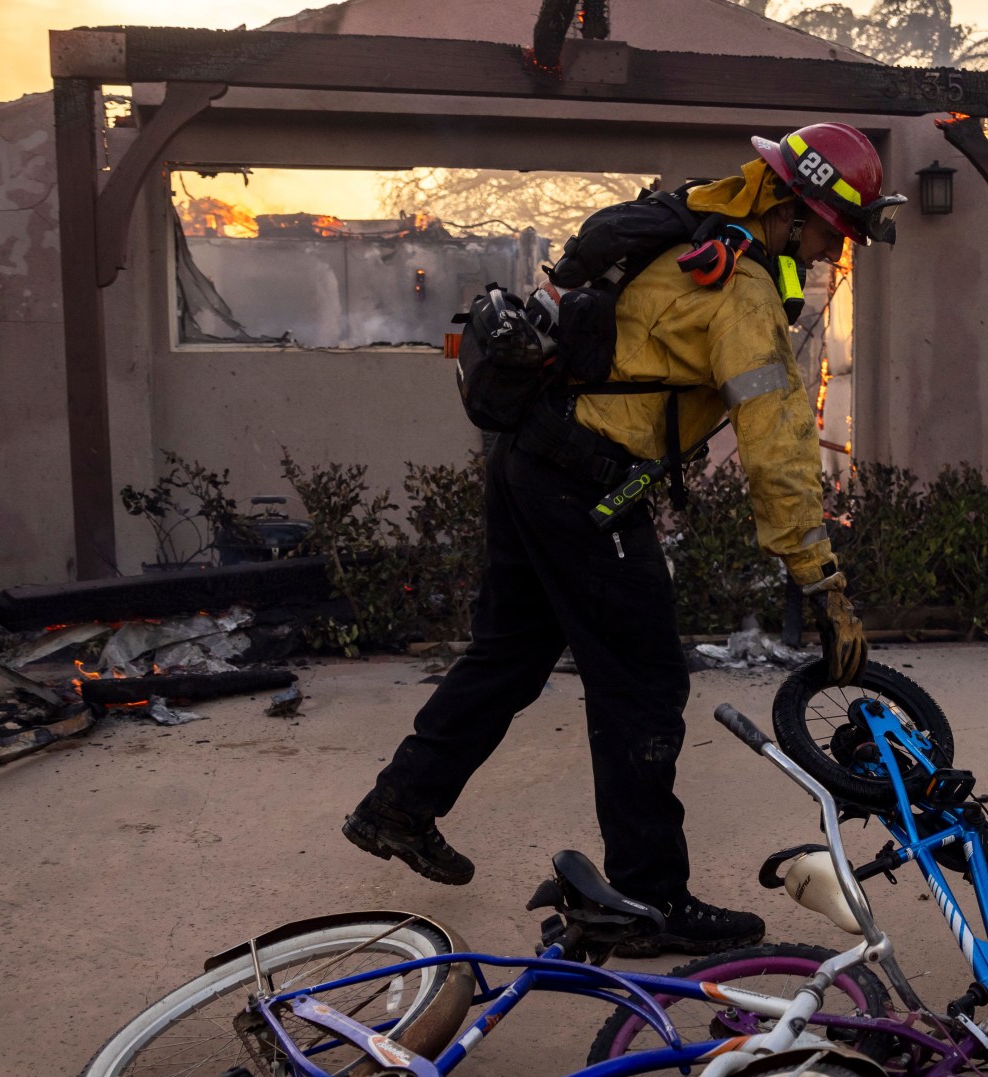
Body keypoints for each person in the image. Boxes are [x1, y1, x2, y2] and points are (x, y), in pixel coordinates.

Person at [343, 123, 898, 955]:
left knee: (510, 653)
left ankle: (401, 804)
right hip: (586, 486)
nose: (828, 254)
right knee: (642, 684)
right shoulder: (741, 292)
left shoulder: (681, 225)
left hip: (528, 454)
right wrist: (821, 582)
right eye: (828, 232)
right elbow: (778, 453)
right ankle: (647, 898)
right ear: (791, 206)